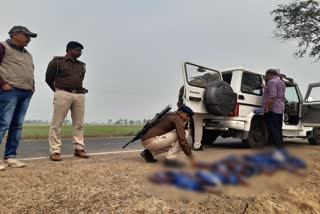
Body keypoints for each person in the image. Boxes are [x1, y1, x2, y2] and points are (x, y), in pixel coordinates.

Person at [0, 26, 37, 170]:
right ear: (15, 34)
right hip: (9, 91)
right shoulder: (2, 46)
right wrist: (3, 84)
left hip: (25, 92)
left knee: (17, 125)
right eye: (27, 36)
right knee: (3, 123)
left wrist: (32, 86)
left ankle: (10, 156)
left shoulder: (28, 54)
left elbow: (30, 70)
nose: (29, 39)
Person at [46, 41, 89, 161]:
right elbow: (48, 78)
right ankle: (55, 151)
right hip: (63, 93)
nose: (80, 52)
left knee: (79, 124)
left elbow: (81, 79)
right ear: (69, 50)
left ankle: (79, 149)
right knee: (57, 123)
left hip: (79, 95)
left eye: (81, 51)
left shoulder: (82, 65)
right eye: (77, 50)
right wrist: (58, 90)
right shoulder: (57, 62)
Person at [262, 69, 286, 148]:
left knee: (273, 129)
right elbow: (278, 92)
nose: (266, 78)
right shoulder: (282, 82)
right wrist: (265, 87)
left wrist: (266, 107)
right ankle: (280, 146)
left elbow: (272, 96)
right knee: (278, 128)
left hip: (273, 108)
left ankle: (276, 147)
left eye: (266, 76)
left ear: (269, 74)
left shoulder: (271, 82)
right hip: (280, 108)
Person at [177, 86, 203, 151]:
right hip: (198, 107)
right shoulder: (204, 87)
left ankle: (180, 144)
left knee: (181, 126)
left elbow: (179, 101)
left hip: (186, 107)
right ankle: (197, 145)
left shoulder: (185, 86)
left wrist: (180, 108)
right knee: (197, 125)